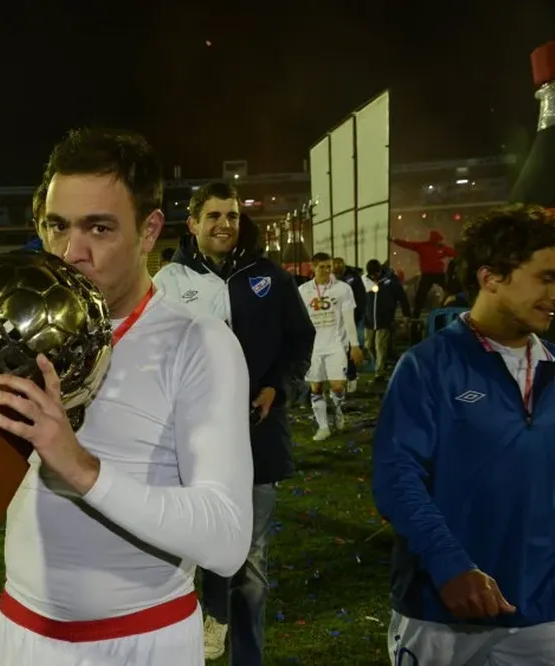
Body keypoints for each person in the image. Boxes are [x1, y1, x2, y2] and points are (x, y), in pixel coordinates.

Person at [0, 128, 255, 666]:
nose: (72, 252)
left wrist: (81, 467)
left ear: (149, 231)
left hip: (142, 641)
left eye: (99, 227)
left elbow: (229, 539)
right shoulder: (16, 333)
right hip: (20, 633)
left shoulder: (197, 342)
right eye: (57, 226)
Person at [372, 204, 555, 666]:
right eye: (548, 277)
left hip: (548, 608)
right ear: (491, 277)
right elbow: (397, 477)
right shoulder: (426, 366)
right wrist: (450, 565)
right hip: (441, 609)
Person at [152, 179, 315, 664]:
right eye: (214, 216)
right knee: (194, 550)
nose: (225, 225)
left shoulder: (269, 276)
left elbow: (298, 341)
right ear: (193, 223)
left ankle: (247, 655)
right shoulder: (168, 284)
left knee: (251, 557)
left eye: (232, 216)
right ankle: (207, 620)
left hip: (259, 438)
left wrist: (276, 389)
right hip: (193, 445)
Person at [299, 253, 363, 441]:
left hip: (336, 344)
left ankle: (337, 411)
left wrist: (355, 345)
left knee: (337, 386)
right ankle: (323, 427)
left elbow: (349, 320)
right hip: (314, 347)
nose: (327, 270)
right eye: (323, 267)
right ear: (313, 267)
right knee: (316, 388)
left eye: (329, 267)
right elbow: (300, 320)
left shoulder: (343, 289)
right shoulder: (303, 290)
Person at [363, 259, 410, 382]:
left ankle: (380, 373)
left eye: (376, 274)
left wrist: (406, 315)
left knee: (380, 346)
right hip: (368, 320)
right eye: (372, 275)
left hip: (384, 319)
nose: (374, 277)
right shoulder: (364, 280)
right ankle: (381, 364)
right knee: (368, 345)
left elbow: (402, 297)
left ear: (380, 271)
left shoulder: (391, 280)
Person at [392, 230, 456, 317]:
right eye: (439, 240)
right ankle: (416, 314)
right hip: (429, 275)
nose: (440, 242)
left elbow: (454, 253)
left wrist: (445, 248)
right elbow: (408, 244)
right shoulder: (423, 246)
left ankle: (450, 308)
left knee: (447, 291)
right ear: (435, 240)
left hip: (437, 274)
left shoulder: (440, 248)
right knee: (421, 295)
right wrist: (395, 241)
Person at [333, 257, 366, 392]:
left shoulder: (353, 278)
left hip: (351, 319)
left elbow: (360, 298)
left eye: (338, 264)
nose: (336, 266)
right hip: (334, 322)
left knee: (350, 349)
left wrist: (356, 317)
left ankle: (351, 378)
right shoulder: (330, 279)